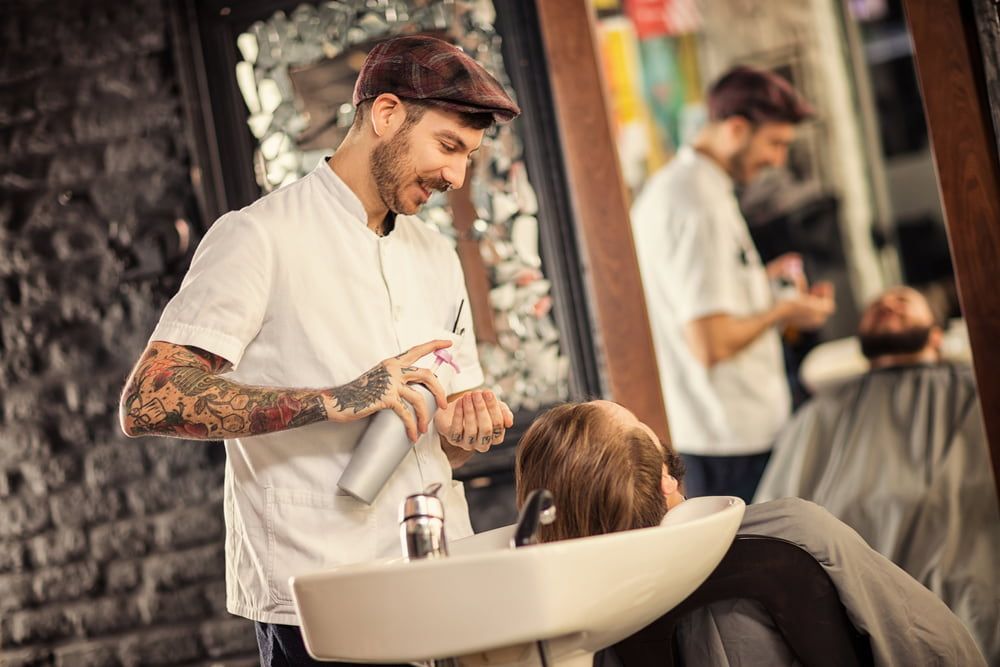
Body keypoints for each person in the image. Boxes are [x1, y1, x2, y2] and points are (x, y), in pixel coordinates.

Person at [119, 35, 519, 665]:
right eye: (447, 146)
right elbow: (149, 398)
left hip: (439, 575)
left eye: (468, 156)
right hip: (320, 594)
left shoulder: (438, 256)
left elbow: (442, 442)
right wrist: (337, 399)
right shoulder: (258, 237)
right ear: (386, 114)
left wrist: (468, 429)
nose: (456, 176)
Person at [514, 400, 987, 666]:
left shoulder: (574, 617)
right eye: (639, 424)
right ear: (664, 479)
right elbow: (935, 646)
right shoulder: (793, 531)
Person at [755, 286, 1000, 662]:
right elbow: (775, 515)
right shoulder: (819, 414)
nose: (887, 304)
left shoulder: (977, 389)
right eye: (877, 305)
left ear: (936, 335)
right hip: (846, 565)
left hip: (954, 548)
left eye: (902, 301)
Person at [631, 65, 835, 503]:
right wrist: (785, 310)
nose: (778, 160)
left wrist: (760, 282)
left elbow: (703, 298)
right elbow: (711, 341)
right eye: (775, 143)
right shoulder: (697, 203)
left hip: (730, 432)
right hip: (729, 439)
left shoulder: (692, 187)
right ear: (737, 129)